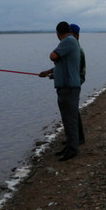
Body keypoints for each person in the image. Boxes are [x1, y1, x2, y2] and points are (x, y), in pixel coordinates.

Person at [38, 21, 81, 161]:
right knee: (67, 119)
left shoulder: (68, 40)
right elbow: (63, 65)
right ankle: (69, 146)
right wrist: (48, 73)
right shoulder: (70, 42)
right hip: (66, 87)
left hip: (69, 88)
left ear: (58, 32)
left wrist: (55, 54)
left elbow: (52, 56)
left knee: (70, 120)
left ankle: (72, 150)